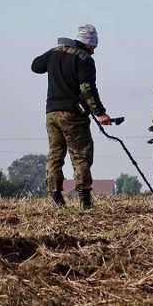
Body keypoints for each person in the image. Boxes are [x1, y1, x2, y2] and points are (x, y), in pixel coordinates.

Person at [31, 24, 112, 209]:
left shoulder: (54, 53)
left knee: (55, 155)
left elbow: (36, 66)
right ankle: (84, 199)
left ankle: (56, 197)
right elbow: (88, 90)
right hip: (73, 115)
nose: (93, 51)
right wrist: (100, 113)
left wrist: (53, 56)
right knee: (80, 155)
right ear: (88, 43)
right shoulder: (84, 59)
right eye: (93, 47)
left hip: (51, 113)